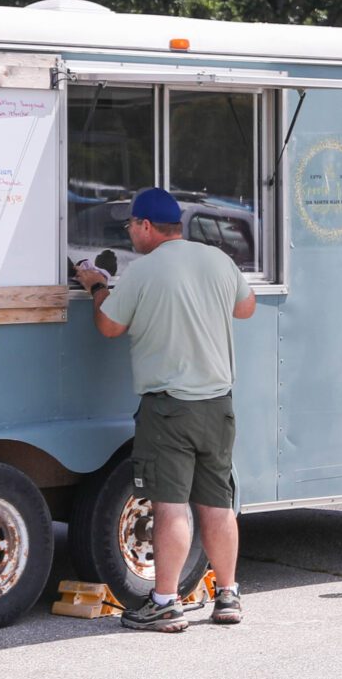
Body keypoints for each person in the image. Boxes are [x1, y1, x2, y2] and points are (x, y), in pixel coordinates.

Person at [73, 186, 256, 632]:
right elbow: (246, 308)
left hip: (170, 410)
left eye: (131, 226)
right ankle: (227, 596)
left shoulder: (143, 271)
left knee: (171, 505)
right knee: (217, 504)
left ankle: (165, 602)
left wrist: (97, 286)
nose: (130, 235)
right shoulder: (217, 259)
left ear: (147, 226)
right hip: (218, 405)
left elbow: (109, 326)